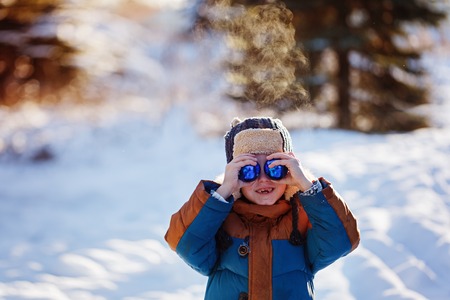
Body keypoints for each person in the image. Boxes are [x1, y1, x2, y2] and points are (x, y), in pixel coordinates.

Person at [165, 117, 360, 300]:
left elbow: (341, 241)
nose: (263, 179)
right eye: (248, 169)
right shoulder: (219, 219)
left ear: (290, 169)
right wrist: (222, 192)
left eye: (274, 167)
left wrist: (307, 185)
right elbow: (185, 244)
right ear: (235, 175)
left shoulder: (302, 218)